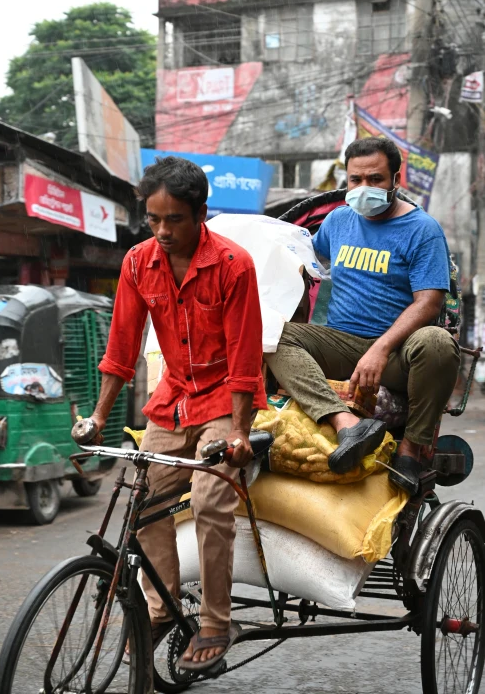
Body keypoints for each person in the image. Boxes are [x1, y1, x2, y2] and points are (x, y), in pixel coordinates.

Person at [91, 156, 266, 671]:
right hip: (172, 400)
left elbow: (245, 357)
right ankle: (161, 605)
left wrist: (239, 432)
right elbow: (121, 349)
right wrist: (99, 418)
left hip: (223, 402)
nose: (163, 231)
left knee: (212, 500)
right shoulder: (137, 262)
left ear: (202, 214)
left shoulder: (234, 265)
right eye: (154, 220)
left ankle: (216, 621)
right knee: (142, 498)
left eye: (175, 220)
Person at [264, 137, 460, 494]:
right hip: (341, 343)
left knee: (438, 341)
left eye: (375, 179)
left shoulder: (423, 230)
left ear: (395, 180)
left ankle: (412, 449)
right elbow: (302, 260)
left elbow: (429, 303)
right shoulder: (338, 221)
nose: (363, 188)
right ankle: (346, 424)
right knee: (272, 334)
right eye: (356, 180)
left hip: (399, 355)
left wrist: (381, 349)